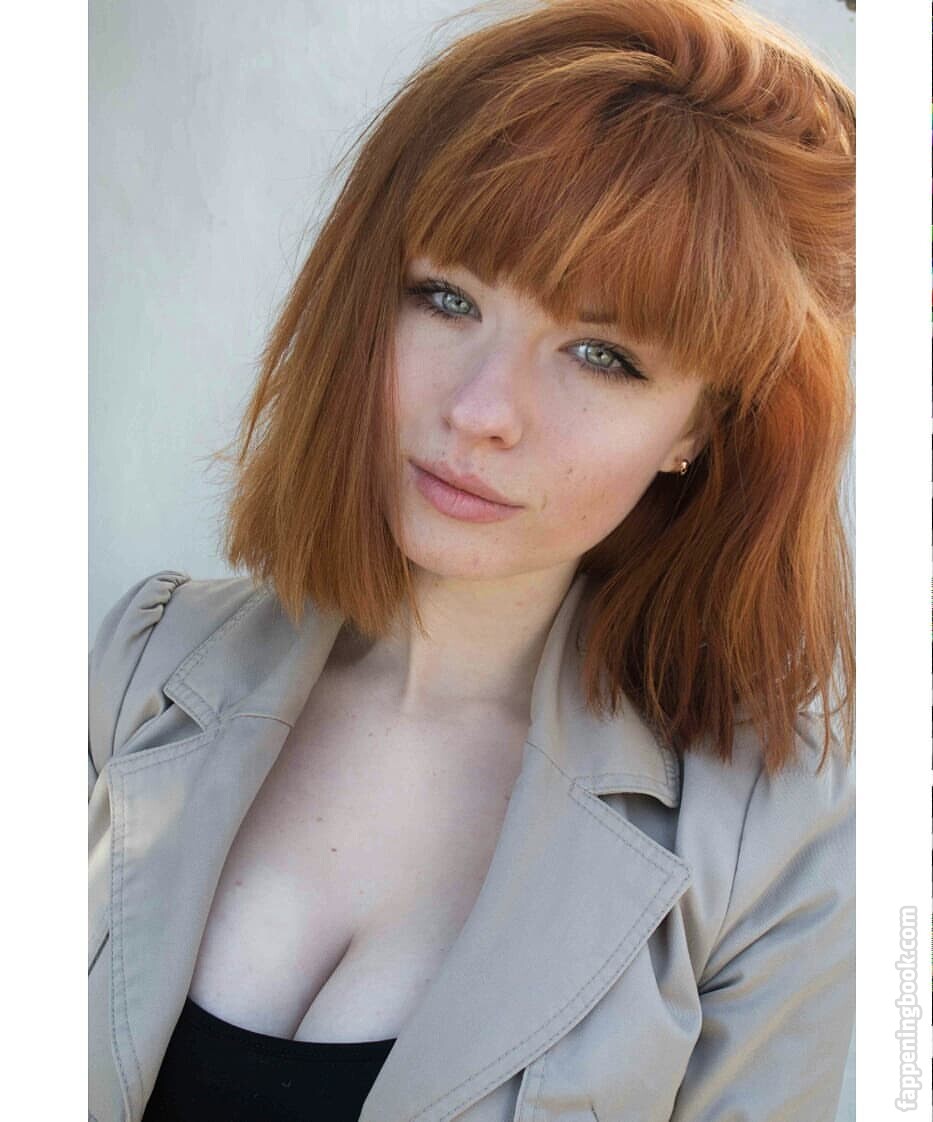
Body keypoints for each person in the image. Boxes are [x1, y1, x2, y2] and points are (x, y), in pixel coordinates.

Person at [88, 0, 856, 1119]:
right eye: (447, 298)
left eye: (602, 355)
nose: (483, 410)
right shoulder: (143, 664)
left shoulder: (770, 846)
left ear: (700, 428)